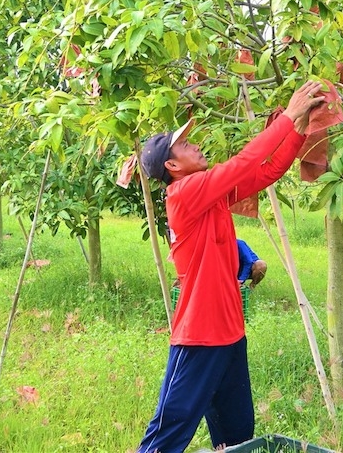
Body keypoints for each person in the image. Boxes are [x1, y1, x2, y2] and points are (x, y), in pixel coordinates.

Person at [136, 80, 325, 453]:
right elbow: (243, 163)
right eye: (186, 145)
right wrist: (288, 116)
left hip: (229, 333)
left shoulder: (210, 195)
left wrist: (298, 130)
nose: (196, 145)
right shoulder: (185, 193)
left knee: (237, 436)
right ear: (172, 165)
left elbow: (264, 174)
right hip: (200, 336)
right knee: (167, 435)